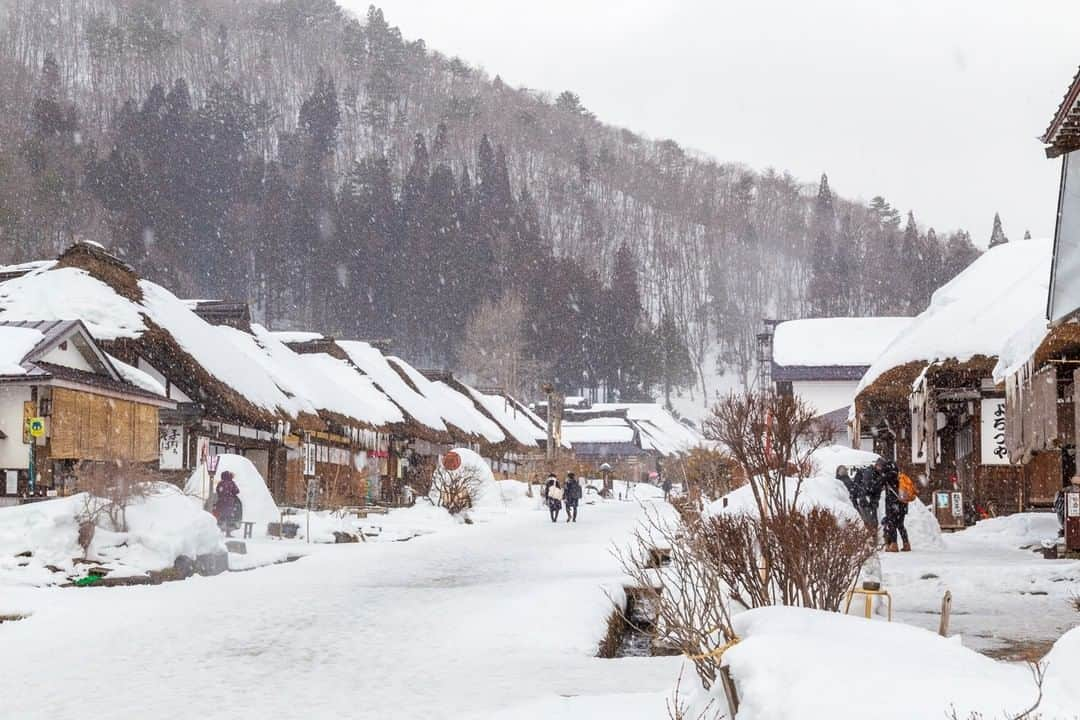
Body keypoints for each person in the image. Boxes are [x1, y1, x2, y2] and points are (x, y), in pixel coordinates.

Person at [880, 460, 910, 552]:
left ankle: (893, 545)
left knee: (891, 524)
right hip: (903, 504)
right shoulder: (900, 476)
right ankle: (906, 544)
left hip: (893, 504)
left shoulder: (888, 476)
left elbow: (879, 484)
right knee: (900, 524)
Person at [213, 470, 242, 536]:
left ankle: (218, 531)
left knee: (221, 517)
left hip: (221, 503)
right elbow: (237, 491)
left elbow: (218, 490)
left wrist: (222, 496)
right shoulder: (231, 483)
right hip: (229, 503)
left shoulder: (220, 483)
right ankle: (228, 532)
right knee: (229, 517)